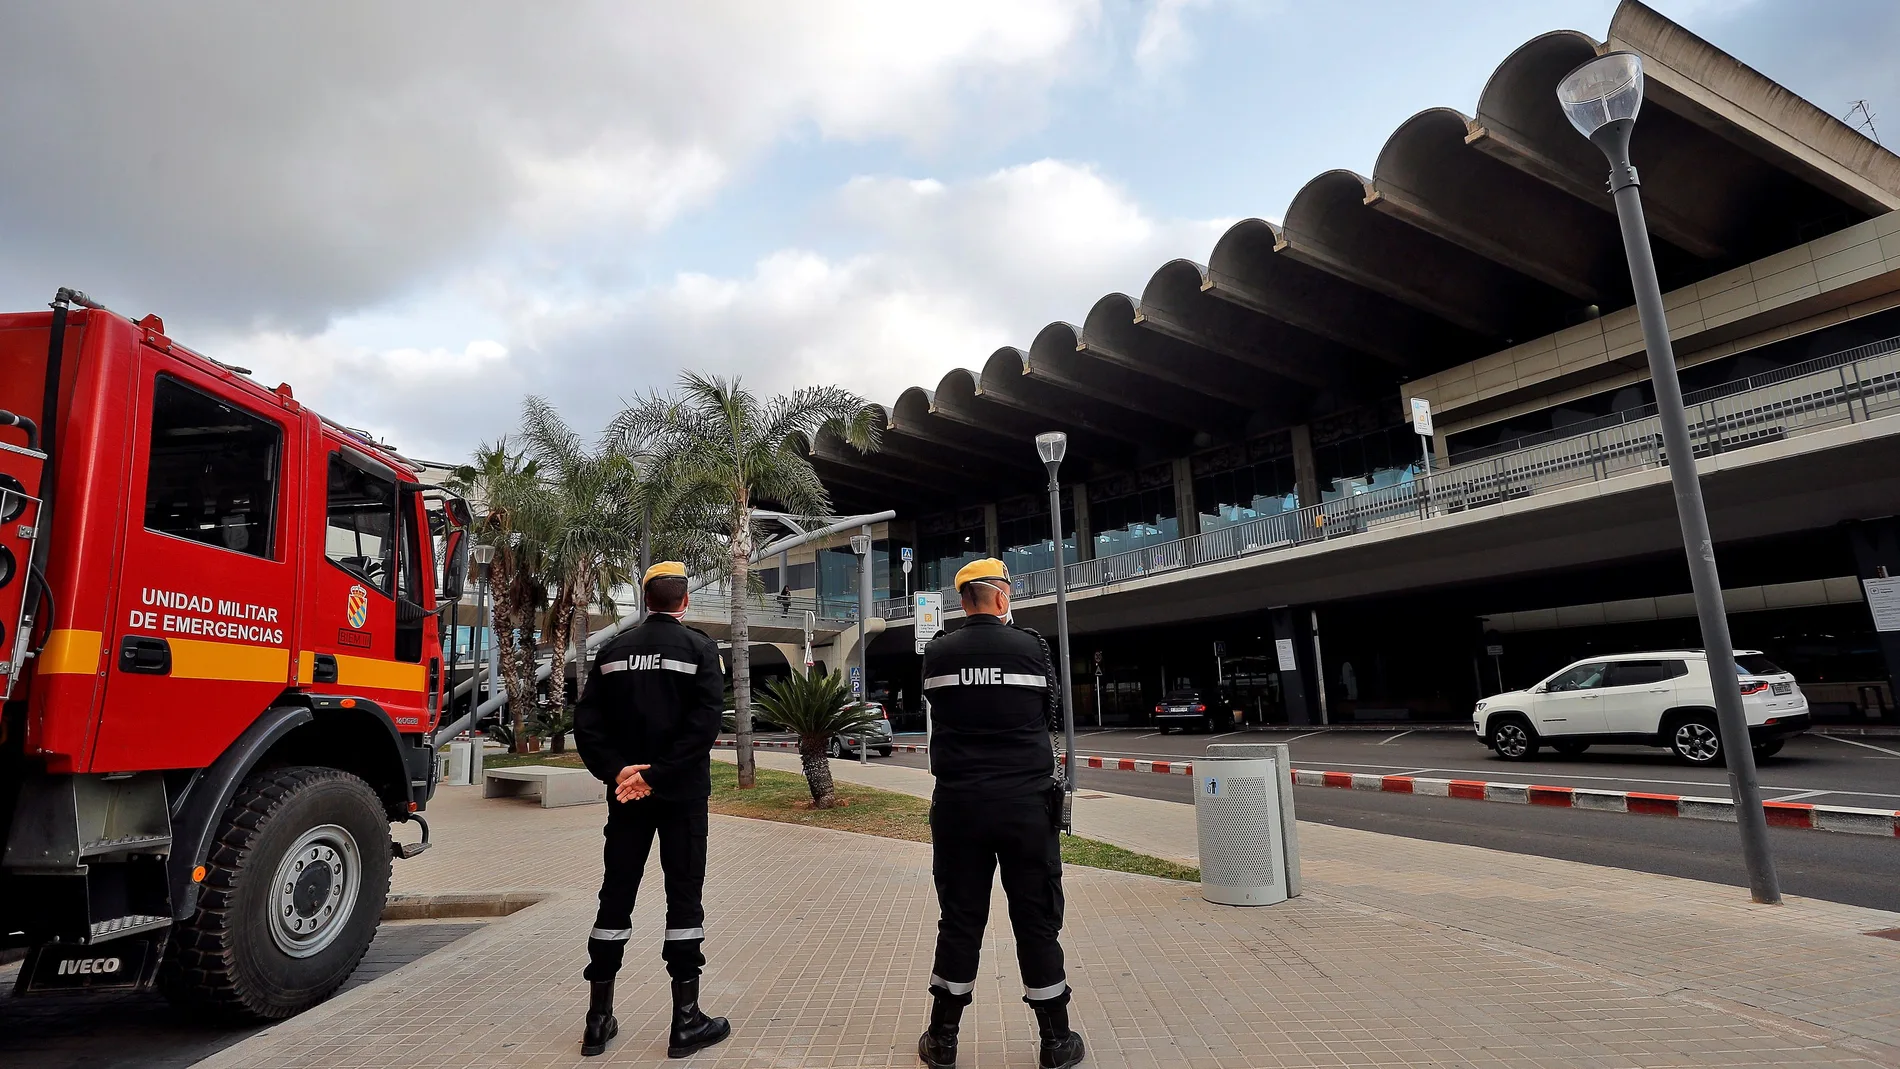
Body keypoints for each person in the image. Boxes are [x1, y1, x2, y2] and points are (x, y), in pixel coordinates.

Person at [915, 558, 1085, 1069]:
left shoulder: (938, 652)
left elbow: (939, 711)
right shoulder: (1033, 648)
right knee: (1036, 920)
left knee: (960, 919)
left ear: (963, 601)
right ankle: (1055, 1040)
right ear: (1003, 598)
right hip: (1025, 806)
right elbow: (1048, 711)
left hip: (959, 805)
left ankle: (942, 1040)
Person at [573, 561, 732, 1059]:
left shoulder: (612, 651)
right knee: (683, 898)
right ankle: (686, 1023)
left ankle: (597, 1021)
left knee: (615, 895)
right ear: (684, 602)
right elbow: (703, 728)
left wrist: (622, 772)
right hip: (681, 796)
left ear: (646, 601)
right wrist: (658, 775)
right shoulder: (700, 650)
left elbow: (587, 724)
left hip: (626, 799)